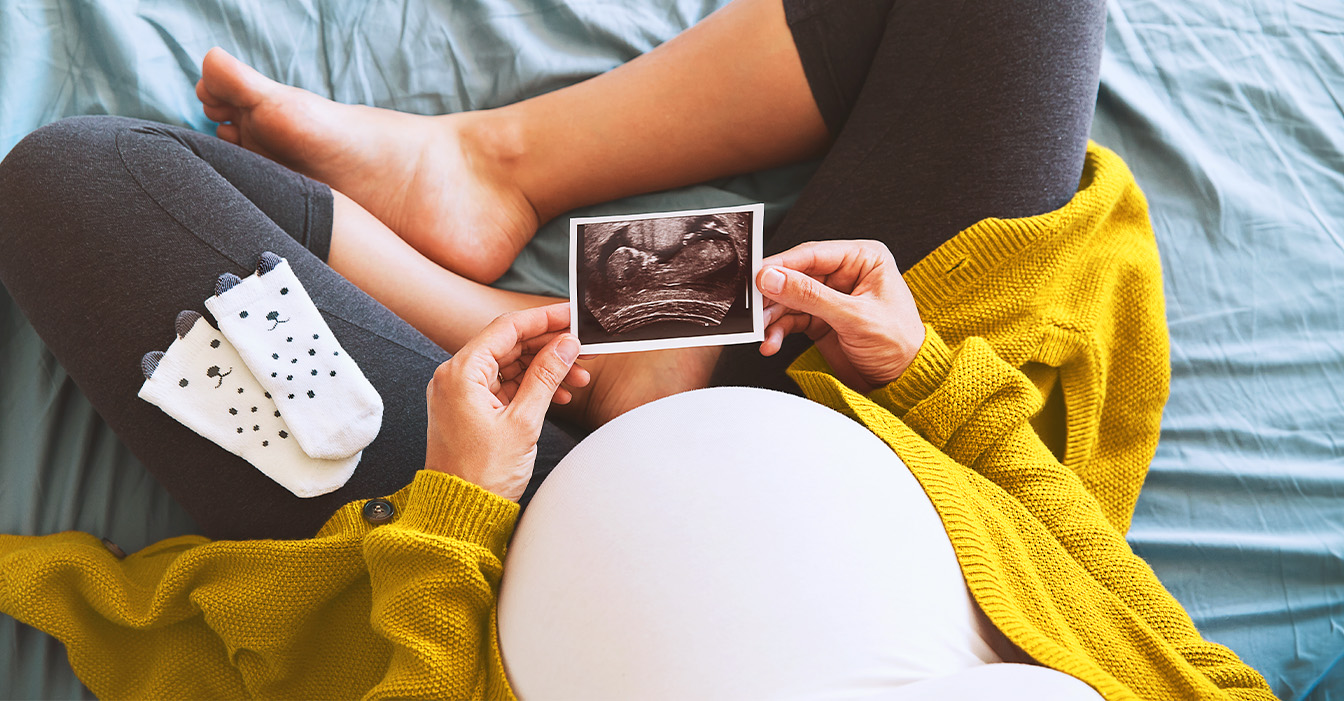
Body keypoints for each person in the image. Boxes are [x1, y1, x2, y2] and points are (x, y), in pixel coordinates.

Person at [0, 0, 1273, 697]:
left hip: (489, 542)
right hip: (852, 414)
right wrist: (930, 375)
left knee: (76, 186)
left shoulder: (465, 529)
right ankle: (501, 172)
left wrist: (454, 518)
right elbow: (1127, 621)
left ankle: (594, 369)